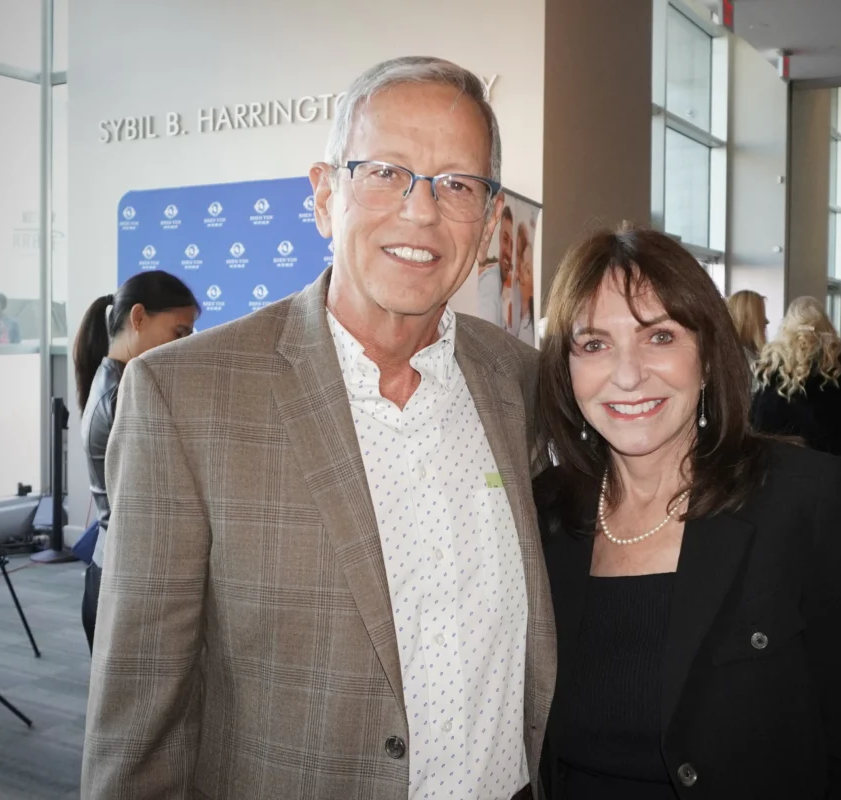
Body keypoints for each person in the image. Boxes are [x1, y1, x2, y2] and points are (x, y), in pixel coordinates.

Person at [82, 57, 555, 800]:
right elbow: (141, 716)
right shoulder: (185, 397)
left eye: (457, 184)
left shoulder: (519, 381)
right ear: (325, 195)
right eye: (386, 172)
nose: (421, 212)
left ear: (490, 220)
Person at [533, 225, 841, 798]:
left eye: (659, 337)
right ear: (567, 369)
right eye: (594, 344)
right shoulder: (544, 512)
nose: (627, 374)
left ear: (707, 356)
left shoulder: (805, 503)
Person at [72, 271, 199, 652]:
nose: (185, 346)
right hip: (124, 580)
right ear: (138, 317)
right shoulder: (124, 393)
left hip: (116, 569)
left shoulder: (114, 379)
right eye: (179, 333)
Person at [750, 296, 841, 460]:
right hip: (830, 456)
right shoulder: (840, 362)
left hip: (780, 456)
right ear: (825, 323)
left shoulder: (772, 361)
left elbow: (760, 417)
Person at [725, 289, 767, 360]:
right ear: (745, 318)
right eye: (760, 316)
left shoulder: (750, 352)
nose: (766, 321)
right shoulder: (737, 356)